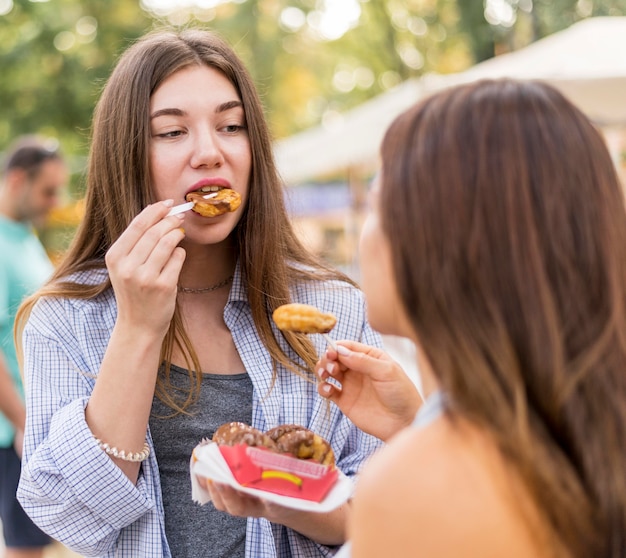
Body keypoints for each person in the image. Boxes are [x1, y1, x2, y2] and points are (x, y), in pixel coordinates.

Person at [15, 28, 383, 558]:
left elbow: (376, 505)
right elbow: (68, 516)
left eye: (231, 126)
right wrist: (138, 327)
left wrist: (283, 493)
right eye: (171, 133)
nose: (210, 153)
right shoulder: (67, 317)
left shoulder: (330, 307)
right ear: (126, 156)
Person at [316, 79, 626, 557]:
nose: (365, 233)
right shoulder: (590, 441)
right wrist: (418, 425)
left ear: (438, 243)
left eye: (376, 204)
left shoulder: (410, 492)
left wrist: (423, 448)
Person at [0, 136, 67, 558]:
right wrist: (26, 424)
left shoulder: (24, 238)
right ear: (18, 180)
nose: (54, 202)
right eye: (47, 191)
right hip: (14, 432)